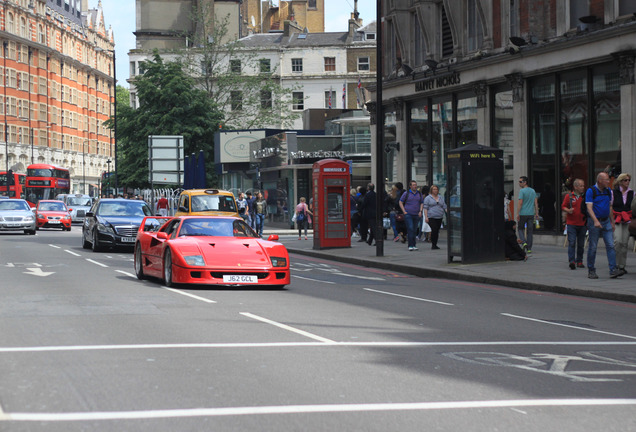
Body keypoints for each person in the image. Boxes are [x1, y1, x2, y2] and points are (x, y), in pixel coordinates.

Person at [586, 172, 621, 279]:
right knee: (593, 247)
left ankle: (613, 269)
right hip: (594, 222)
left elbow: (610, 207)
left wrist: (612, 221)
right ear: (600, 180)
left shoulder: (608, 191)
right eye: (606, 179)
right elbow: (589, 208)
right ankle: (591, 270)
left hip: (606, 221)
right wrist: (596, 221)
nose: (608, 181)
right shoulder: (591, 191)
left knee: (610, 245)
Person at [561, 178, 587, 269]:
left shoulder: (585, 196)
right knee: (572, 242)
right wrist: (568, 210)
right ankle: (572, 261)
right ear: (575, 187)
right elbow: (563, 206)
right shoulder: (569, 196)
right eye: (581, 186)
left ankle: (579, 261)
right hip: (571, 223)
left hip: (582, 223)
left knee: (581, 244)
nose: (583, 187)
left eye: (583, 186)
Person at [612, 173, 633, 276]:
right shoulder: (614, 192)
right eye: (625, 180)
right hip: (617, 218)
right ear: (620, 182)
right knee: (618, 241)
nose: (627, 182)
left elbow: (633, 207)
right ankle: (614, 265)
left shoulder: (632, 193)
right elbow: (610, 206)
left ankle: (622, 266)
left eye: (628, 180)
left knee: (625, 243)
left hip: (627, 219)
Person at [399, 180, 424, 251]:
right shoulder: (406, 193)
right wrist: (404, 211)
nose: (415, 186)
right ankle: (410, 245)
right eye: (413, 185)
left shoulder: (419, 194)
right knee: (410, 228)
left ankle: (414, 244)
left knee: (415, 229)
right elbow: (400, 202)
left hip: (416, 214)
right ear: (410, 186)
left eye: (415, 185)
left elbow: (422, 202)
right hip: (408, 214)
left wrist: (420, 211)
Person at [517, 176, 538, 254]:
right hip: (531, 214)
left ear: (525, 182)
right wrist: (536, 213)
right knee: (530, 231)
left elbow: (520, 203)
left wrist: (517, 213)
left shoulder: (522, 191)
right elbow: (536, 203)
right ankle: (529, 248)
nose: (519, 183)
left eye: (520, 182)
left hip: (523, 213)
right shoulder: (533, 191)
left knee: (520, 228)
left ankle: (523, 242)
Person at [423, 185, 447, 250]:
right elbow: (425, 208)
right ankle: (433, 244)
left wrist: (447, 212)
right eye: (434, 189)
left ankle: (435, 244)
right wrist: (426, 217)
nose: (435, 190)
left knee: (437, 231)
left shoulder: (440, 197)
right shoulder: (428, 198)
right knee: (434, 229)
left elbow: (444, 206)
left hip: (439, 216)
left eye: (436, 189)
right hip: (431, 216)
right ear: (431, 190)